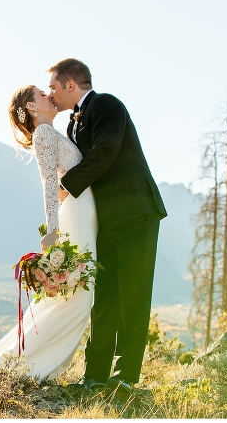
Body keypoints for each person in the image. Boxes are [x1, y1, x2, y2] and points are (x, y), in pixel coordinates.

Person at [48, 58, 167, 394]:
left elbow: (106, 153)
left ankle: (127, 375)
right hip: (105, 221)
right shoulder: (72, 124)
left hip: (136, 213)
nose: (51, 93)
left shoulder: (108, 105)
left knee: (133, 295)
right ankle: (95, 375)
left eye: (55, 87)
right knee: (105, 298)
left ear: (71, 85)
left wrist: (64, 187)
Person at [0, 85, 98, 380]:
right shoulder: (44, 134)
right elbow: (49, 182)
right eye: (41, 93)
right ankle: (23, 368)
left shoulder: (52, 131)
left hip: (83, 212)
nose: (49, 95)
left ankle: (20, 364)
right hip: (75, 215)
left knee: (72, 295)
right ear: (32, 108)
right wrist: (53, 231)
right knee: (78, 296)